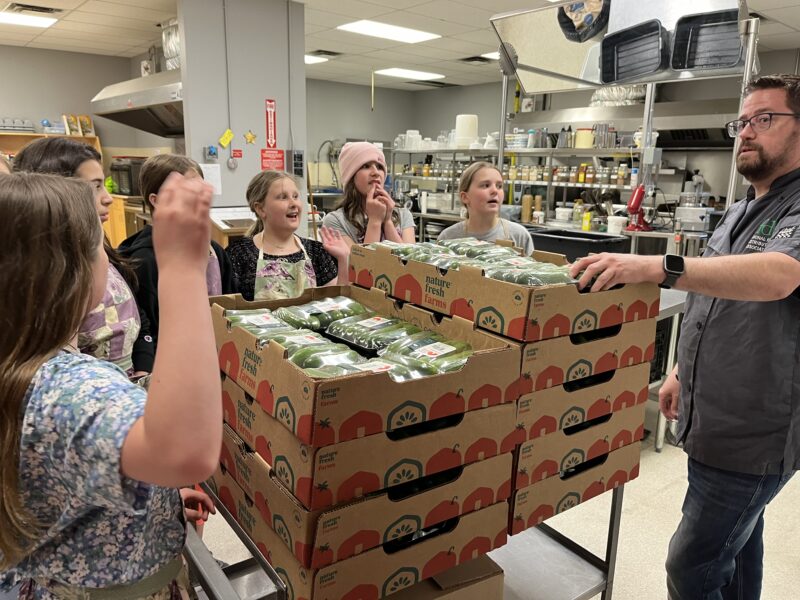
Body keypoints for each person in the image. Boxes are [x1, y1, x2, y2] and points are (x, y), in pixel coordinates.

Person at [569, 74, 800, 600]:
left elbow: (781, 274)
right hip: (711, 412)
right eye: (741, 122)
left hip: (753, 429)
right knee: (738, 548)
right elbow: (713, 301)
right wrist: (678, 371)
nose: (746, 133)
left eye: (765, 119)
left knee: (691, 566)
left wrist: (657, 266)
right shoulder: (741, 209)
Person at [0, 171, 220, 597]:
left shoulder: (24, 368)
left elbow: (68, 478)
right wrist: (182, 269)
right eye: (98, 242)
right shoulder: (70, 386)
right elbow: (186, 451)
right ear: (67, 270)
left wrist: (159, 499)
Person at [12, 137, 155, 378]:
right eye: (95, 186)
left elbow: (142, 322)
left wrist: (143, 369)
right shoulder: (42, 280)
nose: (107, 197)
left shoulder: (103, 254)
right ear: (58, 192)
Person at [119, 154, 236, 348]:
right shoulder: (143, 260)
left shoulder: (214, 252)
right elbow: (148, 333)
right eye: (188, 192)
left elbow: (233, 308)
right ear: (156, 200)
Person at [226, 170, 350, 301]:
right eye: (283, 197)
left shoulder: (317, 252)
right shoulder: (238, 254)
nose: (294, 204)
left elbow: (336, 305)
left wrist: (344, 259)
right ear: (261, 209)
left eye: (296, 196)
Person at [322, 141, 416, 245]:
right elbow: (361, 261)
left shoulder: (403, 215)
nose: (375, 172)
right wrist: (375, 221)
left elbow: (407, 261)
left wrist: (387, 221)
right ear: (351, 177)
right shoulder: (336, 221)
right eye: (365, 166)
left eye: (379, 167)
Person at [437, 161, 534, 255]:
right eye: (485, 185)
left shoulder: (519, 235)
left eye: (499, 186)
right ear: (465, 197)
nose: (495, 191)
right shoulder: (448, 238)